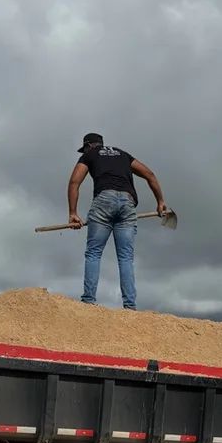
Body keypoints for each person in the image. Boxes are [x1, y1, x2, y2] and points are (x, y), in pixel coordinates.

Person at [66, 132, 168, 310]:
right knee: (126, 258)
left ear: (89, 145)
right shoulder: (123, 154)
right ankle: (130, 306)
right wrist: (160, 202)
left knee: (94, 253)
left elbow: (74, 182)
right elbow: (150, 174)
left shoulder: (89, 155)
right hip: (128, 203)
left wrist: (73, 213)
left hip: (104, 200)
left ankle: (88, 301)